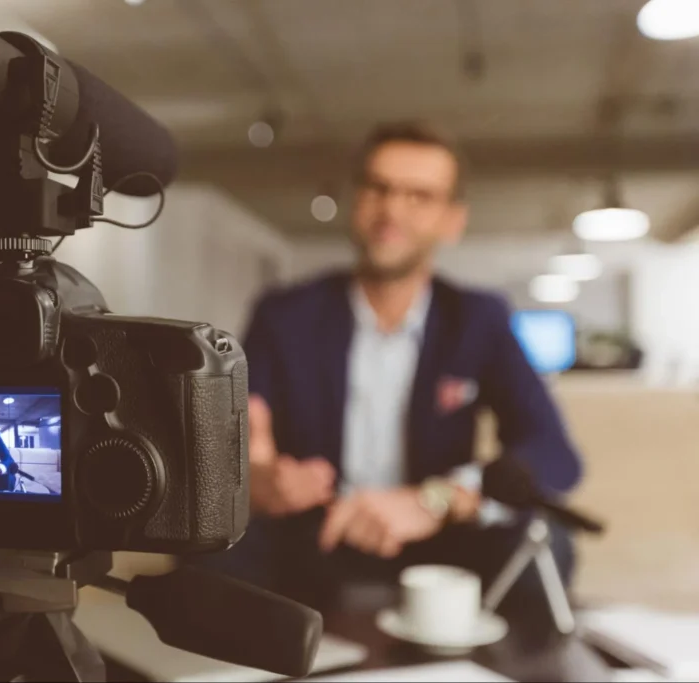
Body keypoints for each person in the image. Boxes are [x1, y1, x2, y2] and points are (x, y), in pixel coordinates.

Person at [199, 121, 583, 616]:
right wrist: (259, 479)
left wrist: (436, 499)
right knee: (211, 549)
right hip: (311, 533)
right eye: (379, 188)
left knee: (548, 543)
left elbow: (555, 454)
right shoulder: (284, 314)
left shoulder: (477, 319)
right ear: (357, 199)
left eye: (419, 196)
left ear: (452, 219)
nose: (392, 210)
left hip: (437, 539)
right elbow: (236, 446)